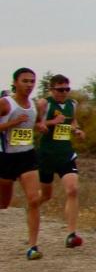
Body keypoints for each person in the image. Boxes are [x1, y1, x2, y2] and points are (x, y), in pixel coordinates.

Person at [0, 67, 45, 259]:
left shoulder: (35, 104)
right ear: (15, 82)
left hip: (27, 155)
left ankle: (33, 247)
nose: (29, 85)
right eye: (25, 81)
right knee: (3, 203)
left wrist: (40, 126)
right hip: (6, 158)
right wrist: (12, 123)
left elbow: (34, 123)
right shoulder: (5, 103)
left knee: (34, 200)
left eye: (32, 81)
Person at [37, 74, 85, 249]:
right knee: (46, 195)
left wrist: (77, 130)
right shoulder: (45, 103)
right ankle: (33, 207)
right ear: (51, 89)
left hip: (65, 153)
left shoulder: (72, 104)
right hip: (47, 154)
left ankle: (71, 234)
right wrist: (51, 122)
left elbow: (72, 121)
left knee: (72, 190)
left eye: (67, 89)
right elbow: (37, 125)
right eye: (60, 89)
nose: (64, 92)